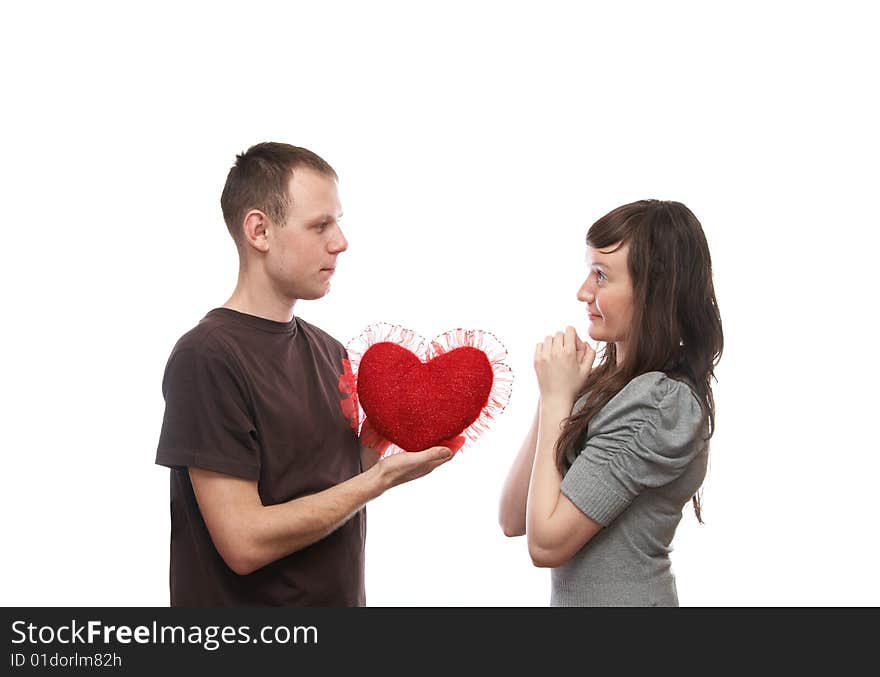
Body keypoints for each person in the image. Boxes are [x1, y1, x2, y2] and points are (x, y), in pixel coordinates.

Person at [155, 142, 453, 606]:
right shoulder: (208, 357)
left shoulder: (330, 351)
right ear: (259, 230)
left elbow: (339, 479)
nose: (340, 241)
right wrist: (381, 480)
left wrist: (389, 426)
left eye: (337, 221)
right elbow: (244, 542)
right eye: (320, 225)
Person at [498, 199, 723, 606]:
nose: (583, 292)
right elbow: (514, 520)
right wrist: (556, 397)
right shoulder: (611, 388)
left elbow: (546, 546)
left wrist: (556, 399)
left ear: (654, 293)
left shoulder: (660, 403)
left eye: (601, 276)